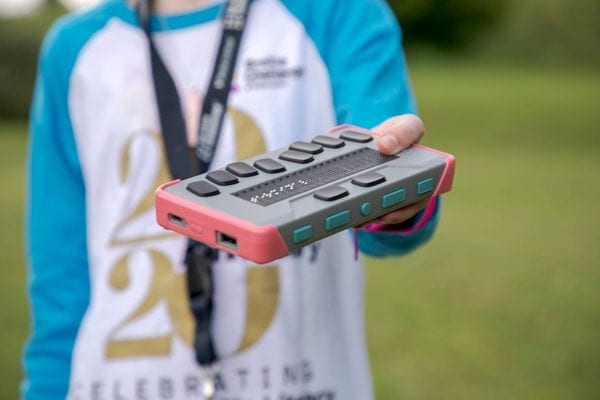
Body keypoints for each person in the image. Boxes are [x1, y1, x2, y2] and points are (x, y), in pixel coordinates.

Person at [23, 0, 441, 398]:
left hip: (303, 383)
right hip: (116, 384)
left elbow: (387, 191)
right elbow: (61, 277)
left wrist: (396, 201)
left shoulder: (337, 12)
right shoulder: (73, 48)